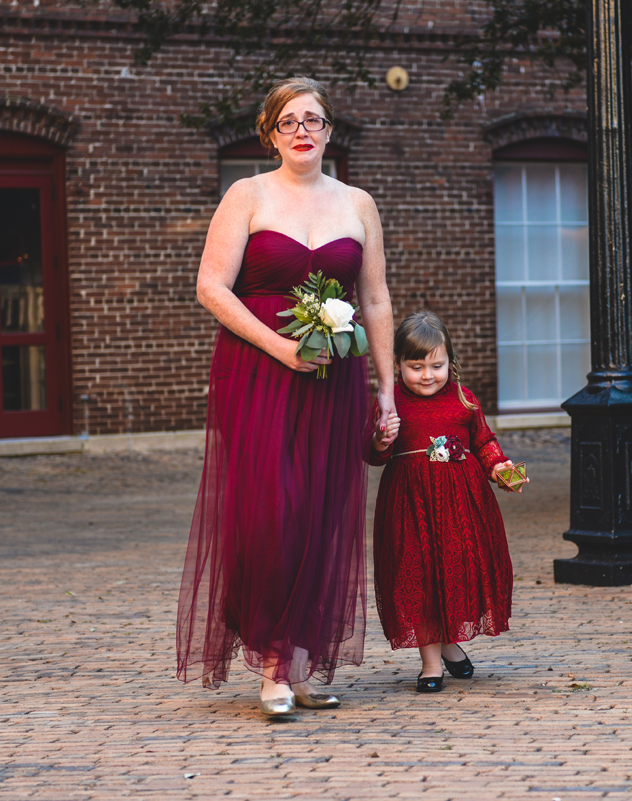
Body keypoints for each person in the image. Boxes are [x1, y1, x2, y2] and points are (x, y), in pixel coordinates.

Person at [176, 77, 396, 717]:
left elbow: (375, 300)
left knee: (323, 515)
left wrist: (386, 394)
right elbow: (212, 288)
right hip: (259, 377)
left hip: (335, 382)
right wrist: (281, 348)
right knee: (273, 509)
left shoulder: (358, 203)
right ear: (270, 133)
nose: (303, 130)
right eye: (289, 121)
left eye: (315, 120)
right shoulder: (246, 195)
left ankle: (296, 660)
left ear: (330, 131)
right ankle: (271, 657)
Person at [366, 311, 522, 693]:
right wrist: (381, 441)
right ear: (397, 364)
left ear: (450, 362)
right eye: (415, 366)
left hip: (460, 503)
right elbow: (373, 456)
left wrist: (500, 467)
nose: (426, 375)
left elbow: (483, 442)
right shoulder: (391, 403)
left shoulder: (463, 400)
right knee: (416, 575)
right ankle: (431, 663)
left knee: (453, 572)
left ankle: (450, 643)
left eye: (436, 365)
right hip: (410, 503)